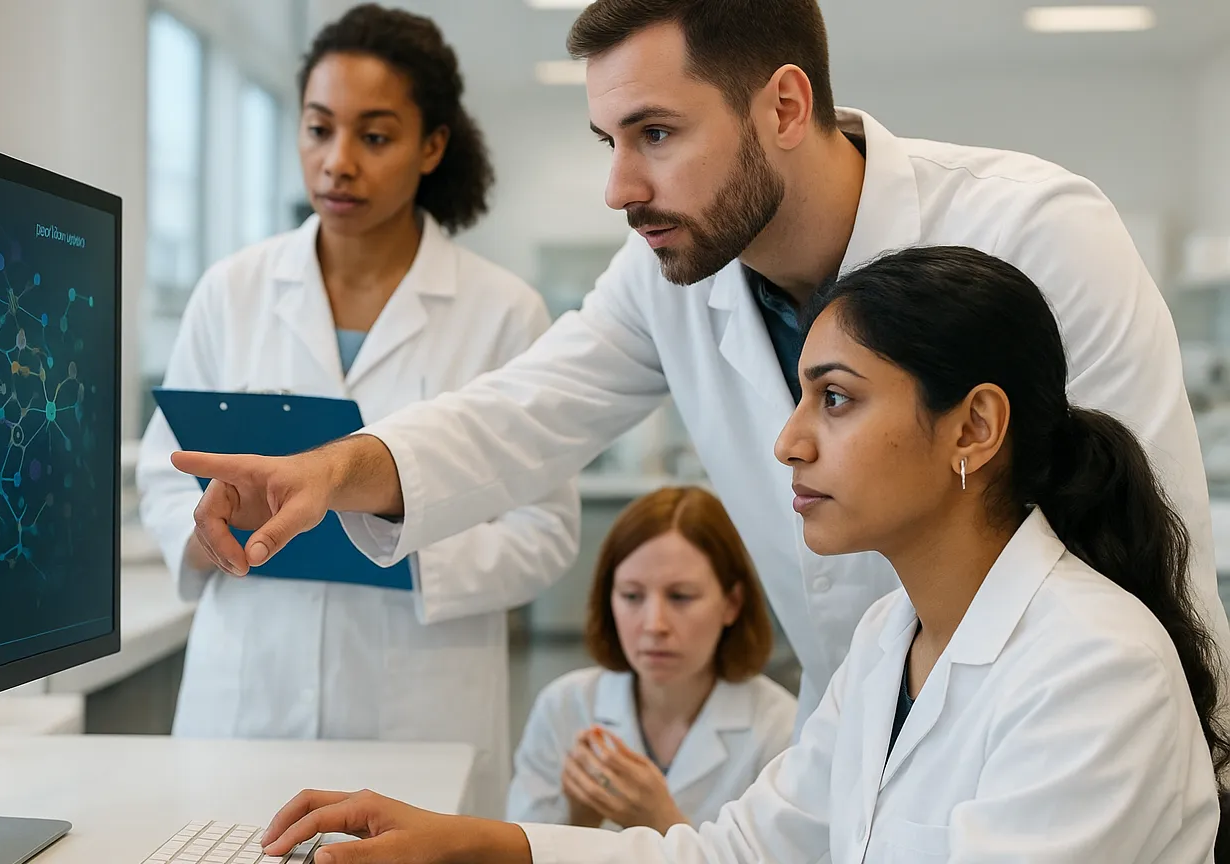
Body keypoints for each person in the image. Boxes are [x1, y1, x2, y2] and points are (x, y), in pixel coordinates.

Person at [169, 0, 1230, 735]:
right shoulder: (672, 277)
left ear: (781, 105)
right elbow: (522, 411)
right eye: (607, 140)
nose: (619, 187)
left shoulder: (1038, 233)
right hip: (853, 744)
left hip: (1060, 740)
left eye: (658, 133)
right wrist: (335, 469)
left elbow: (1152, 562)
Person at [255, 245, 1227, 864]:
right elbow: (736, 856)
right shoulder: (895, 637)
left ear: (973, 427)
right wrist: (475, 846)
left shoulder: (1095, 669)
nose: (788, 441)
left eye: (835, 399)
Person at [135, 4, 580, 819]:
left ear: (432, 145)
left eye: (374, 137)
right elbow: (165, 470)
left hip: (417, 709)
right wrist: (202, 532)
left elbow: (545, 530)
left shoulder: (502, 312)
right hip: (246, 704)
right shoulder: (231, 291)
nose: (337, 163)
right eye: (318, 129)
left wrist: (399, 545)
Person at [508, 486, 795, 831]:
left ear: (731, 603)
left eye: (680, 596)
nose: (654, 624)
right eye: (632, 596)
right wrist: (582, 816)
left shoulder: (779, 727)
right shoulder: (565, 707)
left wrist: (662, 821)